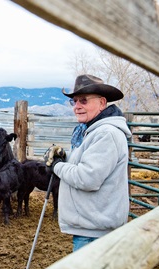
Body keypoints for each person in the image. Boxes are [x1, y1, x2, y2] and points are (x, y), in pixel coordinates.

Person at [44, 74, 132, 252]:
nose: (77, 107)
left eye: (83, 101)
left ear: (101, 102)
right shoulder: (91, 131)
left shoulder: (106, 134)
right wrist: (65, 155)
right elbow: (87, 161)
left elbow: (87, 178)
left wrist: (57, 166)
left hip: (96, 231)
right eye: (74, 101)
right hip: (92, 224)